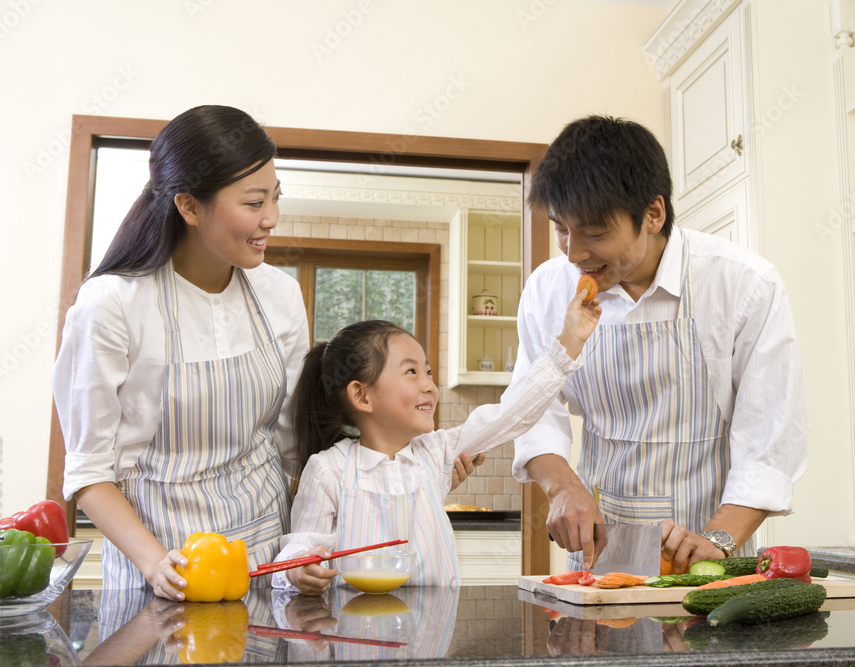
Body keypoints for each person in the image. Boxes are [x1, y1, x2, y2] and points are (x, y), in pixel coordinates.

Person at [511, 115, 807, 573]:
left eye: (593, 232)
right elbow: (533, 411)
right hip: (596, 553)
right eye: (560, 229)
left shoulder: (744, 284)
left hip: (708, 546)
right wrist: (563, 486)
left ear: (653, 213)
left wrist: (717, 540)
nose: (573, 253)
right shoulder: (548, 288)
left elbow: (770, 437)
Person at [52, 105, 309, 600]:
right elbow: (88, 472)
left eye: (276, 198)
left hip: (267, 560)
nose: (272, 219)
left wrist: (309, 545)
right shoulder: (111, 305)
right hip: (161, 565)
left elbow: (293, 444)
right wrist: (155, 564)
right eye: (254, 203)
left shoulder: (279, 294)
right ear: (189, 206)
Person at [271, 288, 602, 595]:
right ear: (361, 395)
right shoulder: (327, 469)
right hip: (355, 636)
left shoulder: (437, 453)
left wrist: (568, 343)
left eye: (428, 372)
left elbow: (512, 414)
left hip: (431, 636)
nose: (429, 385)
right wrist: (299, 570)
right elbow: (299, 550)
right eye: (411, 372)